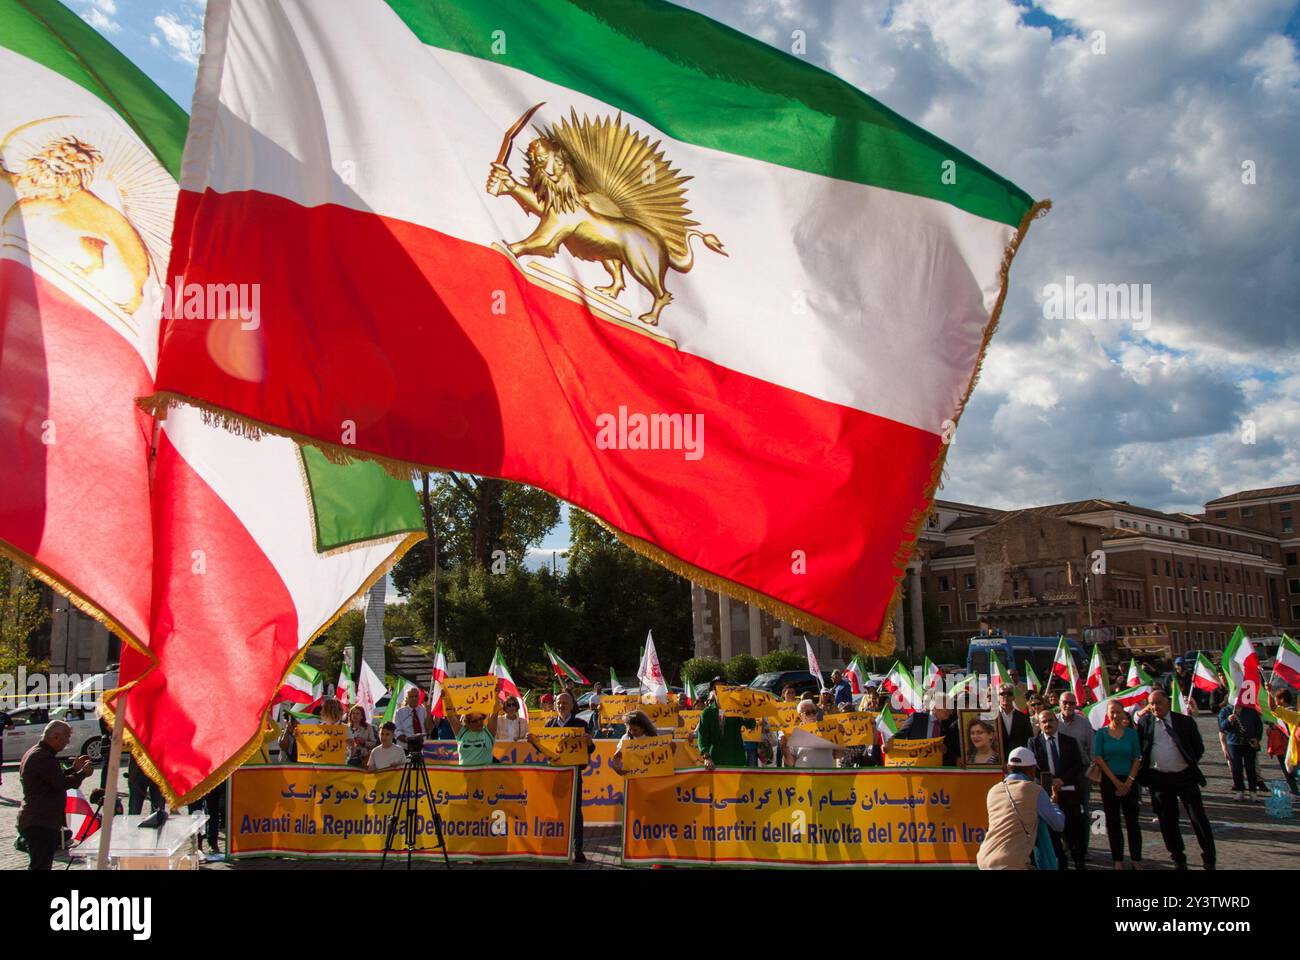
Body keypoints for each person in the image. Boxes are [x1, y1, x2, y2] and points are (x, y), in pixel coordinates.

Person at [1136, 688, 1215, 870]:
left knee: (1198, 819)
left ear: (1168, 703)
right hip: (1159, 779)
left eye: (1159, 703)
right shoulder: (1145, 723)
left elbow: (1198, 747)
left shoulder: (1183, 722)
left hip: (1185, 776)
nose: (1155, 707)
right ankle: (1178, 857)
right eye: (1152, 703)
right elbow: (1141, 747)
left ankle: (1209, 858)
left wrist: (1188, 760)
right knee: (1167, 821)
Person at [18, 720, 93, 870]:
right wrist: (82, 774)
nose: (67, 742)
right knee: (40, 866)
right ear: (56, 736)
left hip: (39, 819)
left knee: (40, 865)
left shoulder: (40, 752)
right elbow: (60, 783)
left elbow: (52, 777)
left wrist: (73, 770)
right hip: (40, 821)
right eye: (66, 737)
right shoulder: (42, 756)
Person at [976, 746, 1065, 870]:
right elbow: (1058, 824)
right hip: (1010, 861)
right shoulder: (1034, 790)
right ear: (1032, 770)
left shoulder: (994, 790)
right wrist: (1054, 804)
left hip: (985, 858)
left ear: (1008, 768)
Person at [534, 691, 595, 862]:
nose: (561, 705)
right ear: (555, 705)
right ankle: (555, 847)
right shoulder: (549, 725)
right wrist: (534, 742)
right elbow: (544, 750)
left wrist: (589, 742)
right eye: (559, 703)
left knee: (575, 811)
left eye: (565, 702)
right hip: (554, 773)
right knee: (554, 810)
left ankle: (578, 848)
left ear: (572, 705)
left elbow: (589, 750)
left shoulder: (580, 724)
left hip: (574, 773)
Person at [1030, 709, 1087, 870]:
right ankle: (1060, 863)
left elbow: (1078, 764)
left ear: (1057, 722)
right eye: (1044, 722)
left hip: (1070, 792)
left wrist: (1062, 780)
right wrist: (1051, 781)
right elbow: (1034, 766)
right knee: (1052, 835)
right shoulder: (1033, 743)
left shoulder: (1070, 741)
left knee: (1075, 831)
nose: (1048, 724)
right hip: (1046, 795)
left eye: (1051, 720)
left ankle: (1079, 861)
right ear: (1039, 725)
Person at [1094, 701, 1143, 870]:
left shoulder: (1131, 734)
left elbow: (1137, 757)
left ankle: (1136, 858)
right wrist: (1116, 782)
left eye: (1118, 712)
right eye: (1112, 712)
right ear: (1107, 714)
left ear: (1123, 713)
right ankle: (1118, 859)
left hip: (1129, 780)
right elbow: (1098, 757)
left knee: (1133, 822)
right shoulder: (1101, 734)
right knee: (1113, 822)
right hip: (1110, 781)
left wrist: (1129, 781)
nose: (1115, 715)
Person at [697, 679, 756, 771]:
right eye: (716, 688)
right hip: (716, 761)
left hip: (736, 760)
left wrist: (746, 712)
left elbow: (751, 725)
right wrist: (706, 756)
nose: (719, 690)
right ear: (712, 691)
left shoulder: (737, 709)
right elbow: (702, 737)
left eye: (723, 687)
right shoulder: (707, 713)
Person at [1218, 697, 1263, 801]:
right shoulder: (1225, 711)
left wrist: (1257, 738)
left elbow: (1258, 726)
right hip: (1233, 743)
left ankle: (1253, 791)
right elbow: (1221, 727)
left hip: (1249, 743)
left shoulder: (1251, 711)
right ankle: (1239, 791)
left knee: (1251, 768)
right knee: (1236, 769)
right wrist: (1228, 720)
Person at [781, 699, 837, 768]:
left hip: (826, 776)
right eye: (808, 713)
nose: (812, 715)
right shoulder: (794, 734)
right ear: (800, 716)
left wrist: (841, 736)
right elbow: (790, 762)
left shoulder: (827, 729)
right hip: (805, 776)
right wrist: (784, 746)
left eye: (814, 711)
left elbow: (838, 755)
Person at [1267, 688, 1300, 796]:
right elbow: (1274, 708)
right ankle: (1295, 791)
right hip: (1294, 754)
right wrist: (1269, 692)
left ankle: (1295, 791)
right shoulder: (1296, 717)